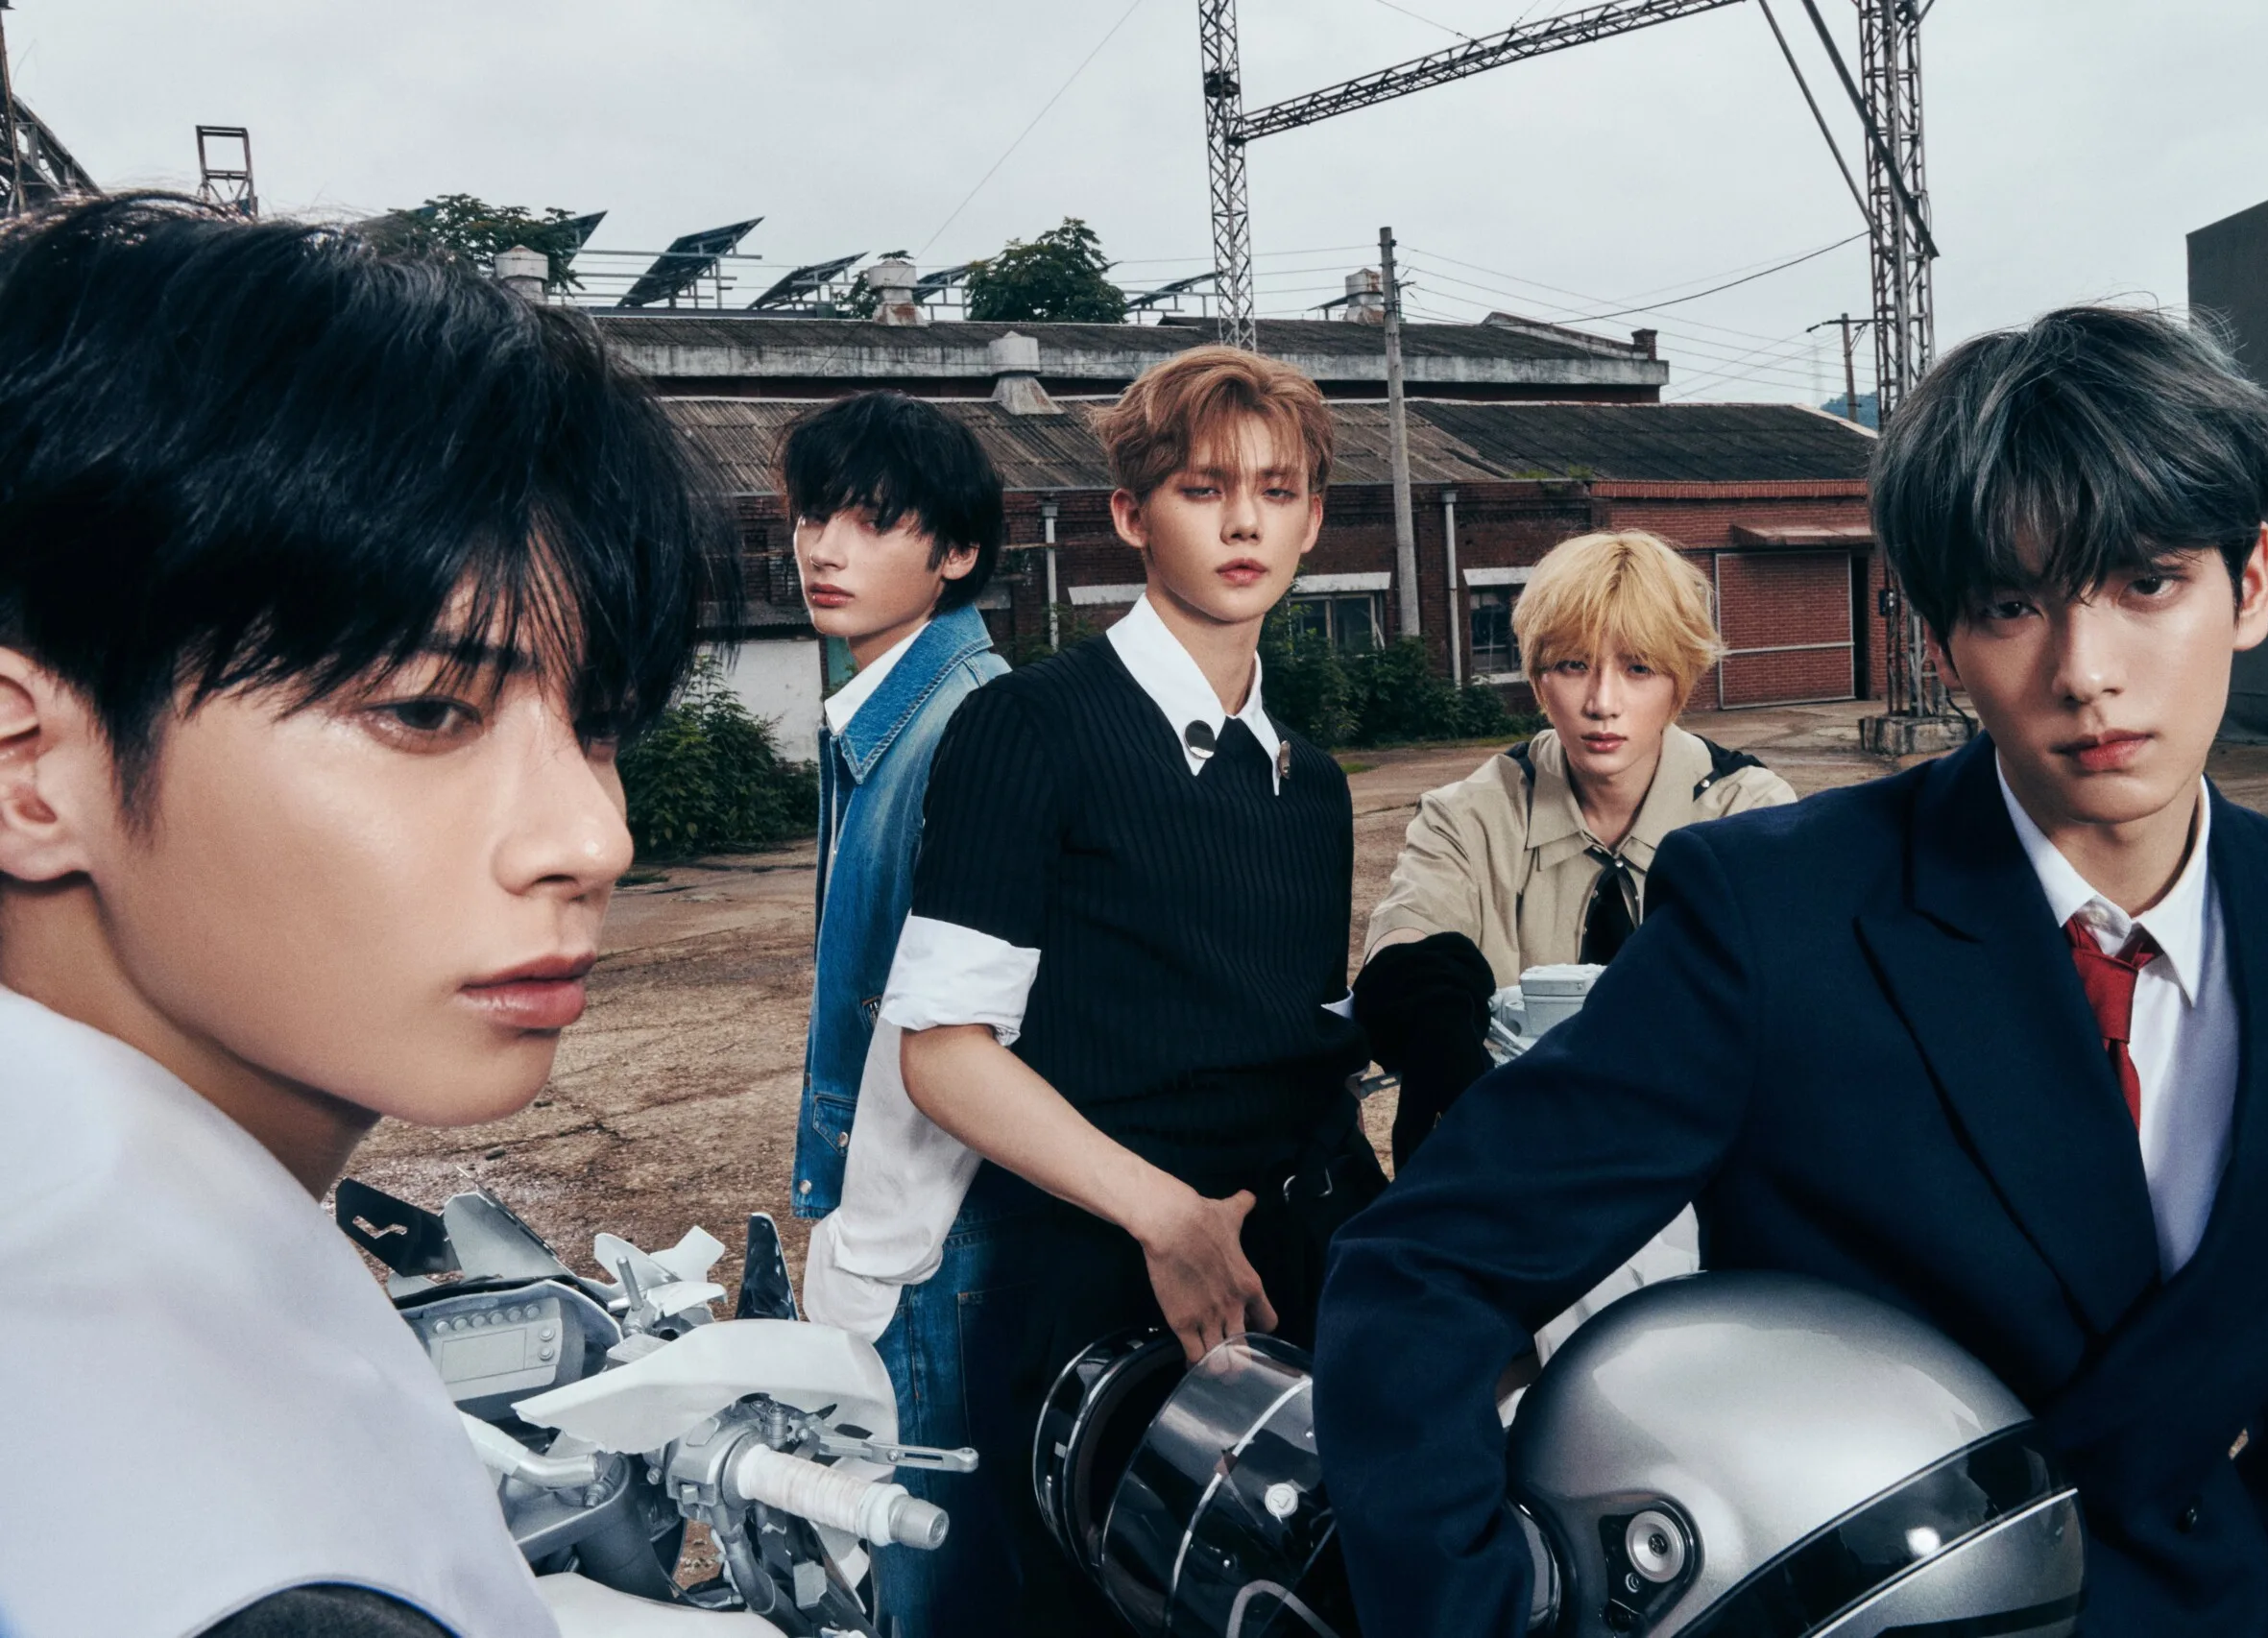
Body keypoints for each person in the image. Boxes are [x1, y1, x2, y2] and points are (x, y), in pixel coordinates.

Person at [1312, 305, 2268, 1637]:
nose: (2085, 673)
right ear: (1943, 636)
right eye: (2011, 604)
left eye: (2147, 583)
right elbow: (1420, 1270)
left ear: (2248, 580)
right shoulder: (1778, 913)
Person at [0, 197, 729, 1638]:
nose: (596, 838)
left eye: (597, 722)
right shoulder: (239, 1566)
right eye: (427, 711)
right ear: (29, 768)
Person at [845, 345, 1377, 1634]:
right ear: (1133, 515)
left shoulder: (1310, 785)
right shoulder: (1026, 728)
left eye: (1276, 490)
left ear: (1312, 519)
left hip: (1288, 1286)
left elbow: (1295, 1056)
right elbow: (943, 1052)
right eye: (1204, 488)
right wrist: (1165, 1218)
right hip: (1098, 1294)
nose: (1244, 522)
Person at [781, 392, 1008, 1637]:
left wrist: (864, 1261)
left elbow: (956, 1030)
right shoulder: (887, 714)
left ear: (956, 550)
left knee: (928, 1596)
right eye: (813, 514)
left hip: (930, 1246)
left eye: (871, 521)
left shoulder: (962, 728)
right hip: (919, 1244)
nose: (825, 547)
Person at [1353, 529, 1794, 1168]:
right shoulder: (1467, 814)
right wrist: (1426, 1007)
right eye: (1572, 665)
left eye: (1638, 668)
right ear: (1538, 679)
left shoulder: (1752, 814)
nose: (1601, 703)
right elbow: (1406, 942)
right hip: (1514, 1163)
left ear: (1682, 679)